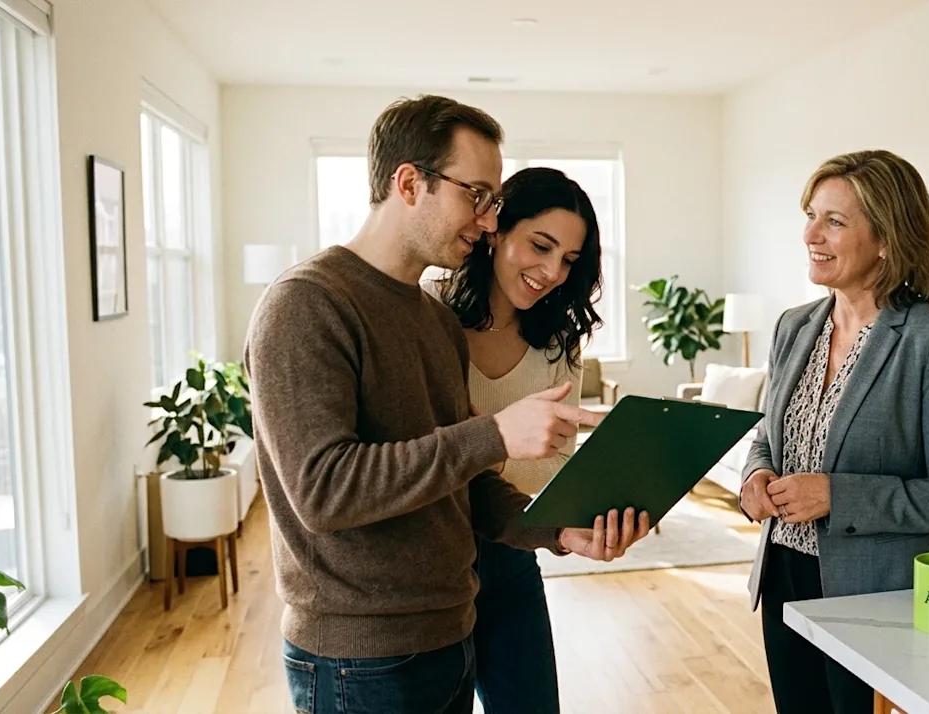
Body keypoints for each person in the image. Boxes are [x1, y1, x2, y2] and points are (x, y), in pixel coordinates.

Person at [244, 94, 650, 714]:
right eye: (477, 195)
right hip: (361, 657)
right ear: (409, 183)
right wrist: (496, 433)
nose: (488, 221)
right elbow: (323, 493)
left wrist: (561, 531)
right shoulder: (305, 305)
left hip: (449, 630)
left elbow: (468, 487)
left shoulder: (432, 319)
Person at [739, 149, 929, 713]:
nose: (811, 234)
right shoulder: (793, 326)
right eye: (810, 214)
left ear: (886, 238)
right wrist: (757, 473)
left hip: (876, 593)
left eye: (834, 221)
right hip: (783, 573)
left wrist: (835, 494)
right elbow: (768, 435)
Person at [421, 165, 603, 714]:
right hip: (433, 563)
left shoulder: (556, 342)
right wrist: (499, 442)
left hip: (512, 551)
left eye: (569, 260)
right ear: (496, 228)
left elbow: (551, 467)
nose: (550, 272)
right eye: (540, 245)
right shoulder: (428, 315)